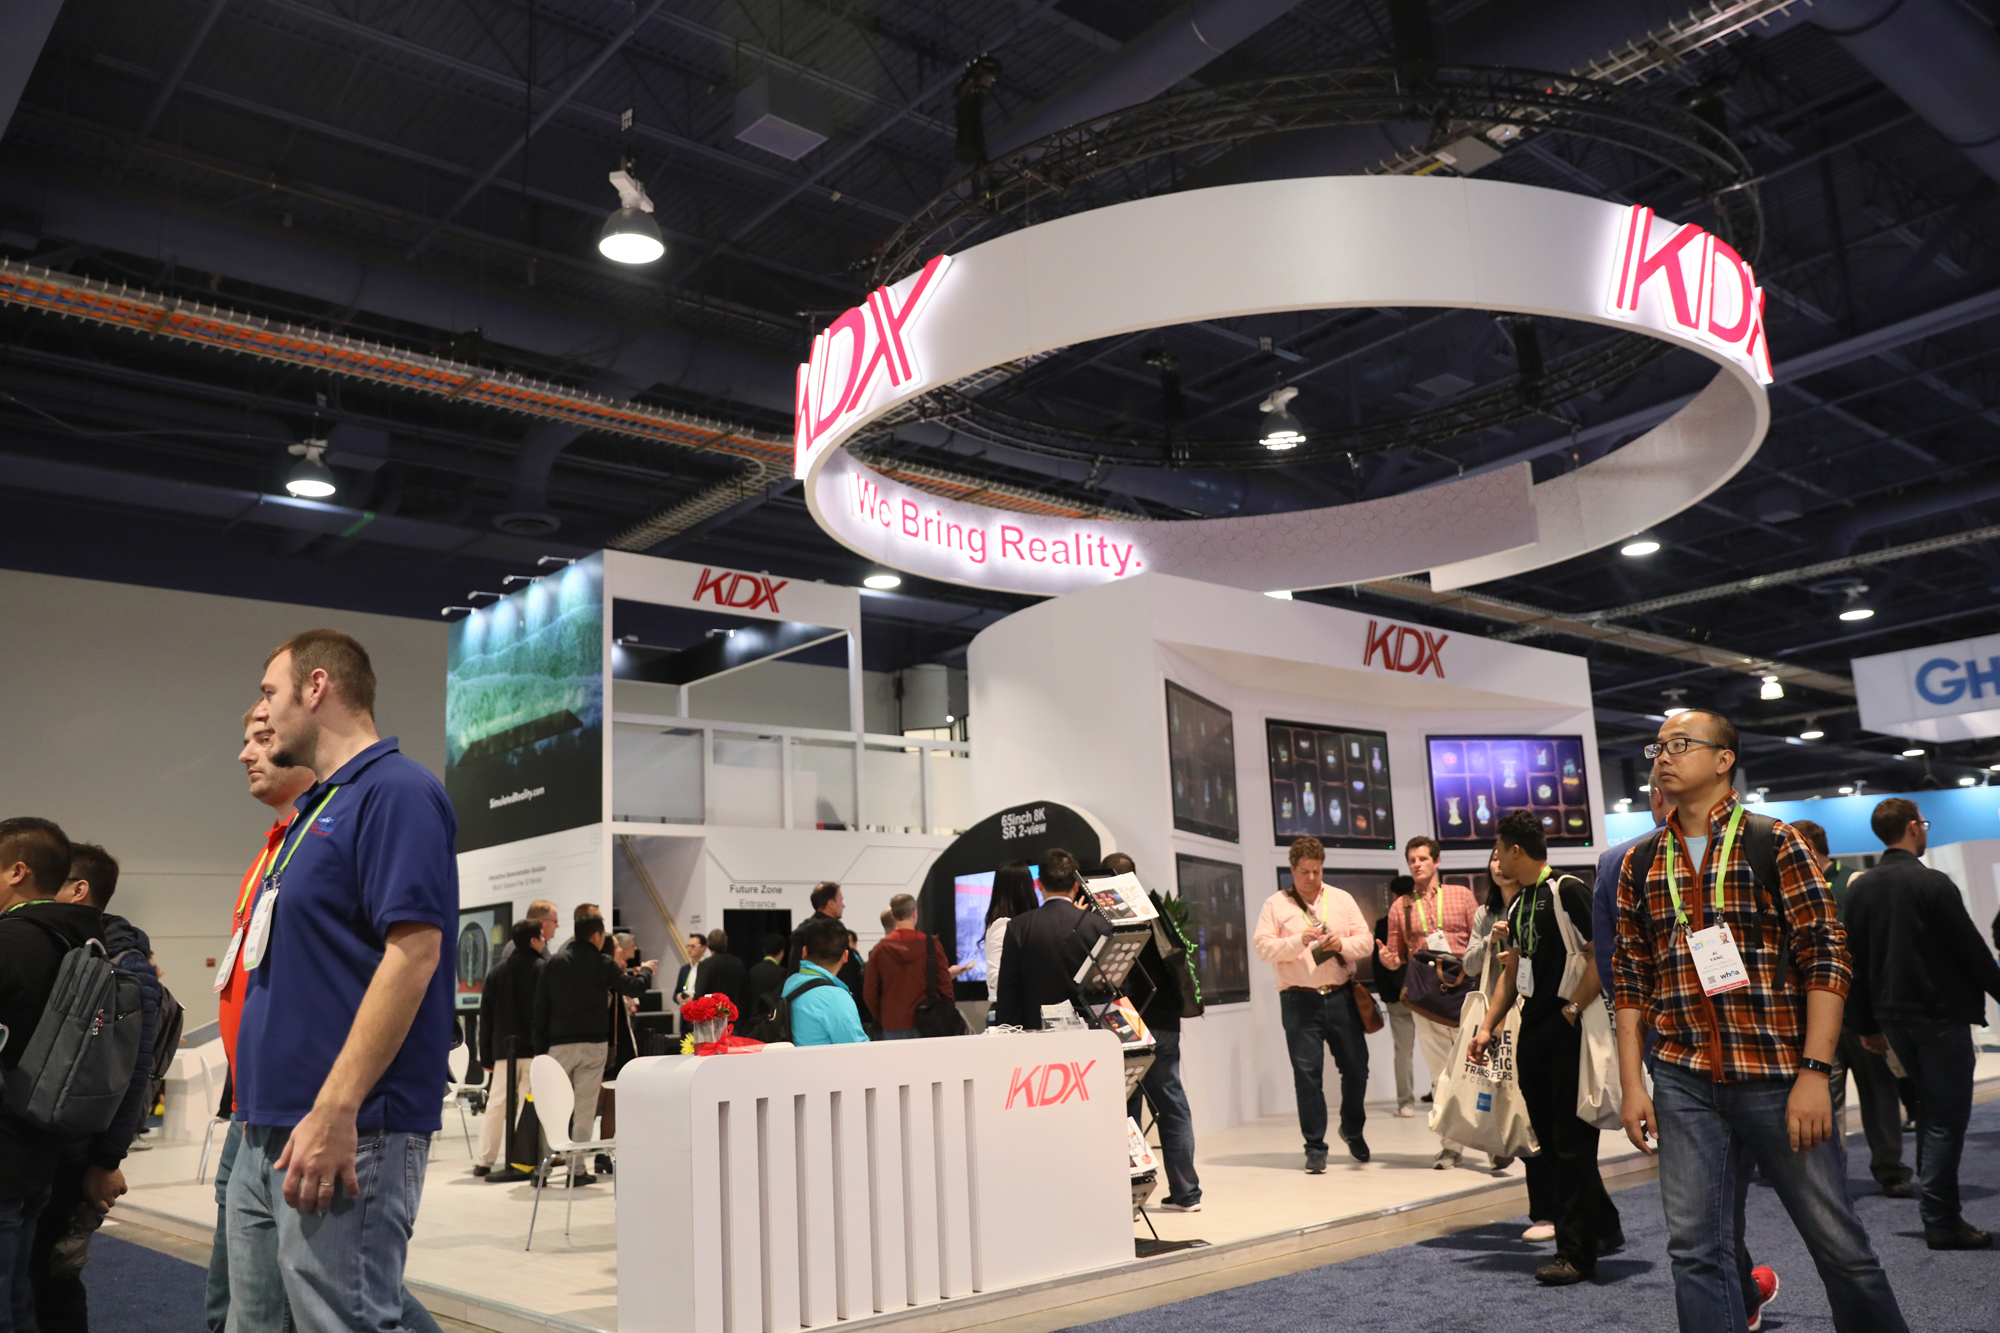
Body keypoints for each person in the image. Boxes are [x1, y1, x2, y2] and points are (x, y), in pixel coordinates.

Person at [1614, 709, 1906, 1333]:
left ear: (1724, 760)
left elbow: (1826, 958)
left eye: (1681, 744)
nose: (1664, 757)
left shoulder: (1773, 842)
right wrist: (1633, 1083)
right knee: (1695, 1252)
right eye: (1657, 747)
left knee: (1840, 1247)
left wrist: (1815, 1071)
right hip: (1683, 1079)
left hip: (1778, 1075)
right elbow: (1632, 978)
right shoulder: (1641, 862)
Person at [229, 629, 459, 1333]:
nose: (262, 711)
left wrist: (336, 1107)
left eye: (270, 692)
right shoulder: (316, 809)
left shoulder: (397, 792)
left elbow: (413, 955)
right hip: (269, 1124)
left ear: (317, 687)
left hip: (347, 1125)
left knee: (342, 1319)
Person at [1468, 812, 1621, 1287]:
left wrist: (1571, 1009)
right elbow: (1512, 973)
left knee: (1572, 1145)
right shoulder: (1516, 905)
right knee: (1552, 1146)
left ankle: (1574, 1254)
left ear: (1516, 850)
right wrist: (1487, 1027)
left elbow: (1602, 952)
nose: (1496, 859)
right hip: (1533, 1032)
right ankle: (1603, 1227)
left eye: (1499, 849)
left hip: (1567, 1030)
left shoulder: (1567, 890)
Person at [1845, 797, 2000, 1250]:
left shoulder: (1861, 888)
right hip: (1938, 1015)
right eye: (1924, 823)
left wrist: (1865, 1025)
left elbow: (1854, 963)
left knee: (1932, 1113)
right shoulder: (1932, 882)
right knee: (1945, 1120)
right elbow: (1971, 951)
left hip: (1891, 1019)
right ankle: (1941, 1220)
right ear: (1914, 827)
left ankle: (1938, 1214)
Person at [34, 843, 163, 1333]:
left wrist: (106, 1161)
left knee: (53, 1279)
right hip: (47, 1142)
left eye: (53, 880)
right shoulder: (62, 944)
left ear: (79, 889)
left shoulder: (124, 962)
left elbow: (134, 1074)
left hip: (76, 1151)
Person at [0, 818, 104, 1332]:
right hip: (42, 1147)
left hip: (3, 1148)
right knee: (21, 1298)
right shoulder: (84, 944)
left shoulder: (9, 941)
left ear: (16, 872)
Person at [1790, 817, 1912, 1200]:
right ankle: (1832, 1176)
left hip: (1860, 1013)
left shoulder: (1855, 882)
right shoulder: (1788, 890)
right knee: (1824, 1098)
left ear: (1810, 846)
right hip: (1812, 1017)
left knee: (1879, 1093)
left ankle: (1890, 1170)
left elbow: (1871, 949)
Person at [1252, 836, 1372, 1172]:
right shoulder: (1275, 904)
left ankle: (1352, 1128)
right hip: (1298, 999)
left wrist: (1341, 943)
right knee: (1307, 1075)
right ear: (1292, 870)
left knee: (1357, 1068)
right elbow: (1262, 948)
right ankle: (1315, 1146)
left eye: (1317, 871)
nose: (1311, 878)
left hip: (1341, 995)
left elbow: (1365, 942)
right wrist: (1297, 940)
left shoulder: (1341, 899)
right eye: (1305, 871)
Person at [1103, 852, 1202, 1213]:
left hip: (1129, 1019)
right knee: (1172, 1105)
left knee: (1128, 1108)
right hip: (1167, 1019)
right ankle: (1186, 1194)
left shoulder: (1109, 917)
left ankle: (1131, 1196)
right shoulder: (1156, 910)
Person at [1376, 835, 1480, 1169]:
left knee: (1478, 1069)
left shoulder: (1462, 896)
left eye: (1423, 858)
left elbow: (1479, 942)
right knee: (1441, 1074)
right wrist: (1388, 960)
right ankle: (1450, 1145)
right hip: (1426, 998)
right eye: (1412, 860)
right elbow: (1396, 956)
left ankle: (1491, 1138)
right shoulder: (1400, 907)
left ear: (1436, 861)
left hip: (1465, 991)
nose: (1417, 864)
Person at [533, 912, 655, 1176]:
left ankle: (543, 1167)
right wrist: (646, 971)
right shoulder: (603, 963)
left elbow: (540, 1007)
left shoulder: (553, 963)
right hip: (593, 1044)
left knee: (551, 1107)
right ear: (597, 935)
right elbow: (633, 988)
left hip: (559, 1045)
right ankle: (577, 1170)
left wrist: (539, 1049)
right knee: (585, 1108)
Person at [994, 849, 1110, 1029]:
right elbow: (1111, 986)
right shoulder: (1100, 926)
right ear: (1077, 885)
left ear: (1039, 884)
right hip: (1090, 1031)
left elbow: (1008, 991)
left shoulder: (1018, 927)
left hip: (1036, 1033)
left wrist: (1008, 1033)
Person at [474, 920, 545, 1178]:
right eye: (542, 937)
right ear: (533, 940)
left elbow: (486, 1017)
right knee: (526, 1104)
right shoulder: (542, 969)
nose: (544, 941)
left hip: (503, 1051)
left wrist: (486, 1055)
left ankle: (484, 1160)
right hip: (534, 1051)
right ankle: (520, 1159)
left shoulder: (497, 972)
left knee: (496, 1104)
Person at [864, 894, 967, 1038]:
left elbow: (870, 993)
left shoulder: (879, 950)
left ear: (893, 916)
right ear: (914, 913)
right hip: (928, 1022)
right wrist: (948, 1013)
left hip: (892, 1025)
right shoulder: (931, 945)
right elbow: (945, 986)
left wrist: (883, 1016)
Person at [781, 915, 870, 1046]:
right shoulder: (836, 998)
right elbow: (858, 1049)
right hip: (822, 1060)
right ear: (845, 956)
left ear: (804, 952)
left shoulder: (791, 983)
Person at [1371, 876, 1417, 1120]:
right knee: (1442, 1047)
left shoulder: (1385, 924)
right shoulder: (1424, 920)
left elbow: (1379, 966)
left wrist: (1390, 993)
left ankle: (1406, 1103)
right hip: (1427, 994)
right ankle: (1442, 1097)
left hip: (1400, 996)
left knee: (1403, 1052)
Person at [982, 862, 1039, 1021]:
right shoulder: (1003, 926)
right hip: (1009, 1013)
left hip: (1021, 1009)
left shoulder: (1024, 924)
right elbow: (996, 977)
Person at [784, 883, 844, 973]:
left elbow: (794, 967)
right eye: (841, 900)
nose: (843, 905)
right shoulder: (833, 932)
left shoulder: (803, 929)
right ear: (831, 903)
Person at [694, 928, 751, 1018]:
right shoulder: (738, 963)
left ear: (708, 946)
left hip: (712, 1018)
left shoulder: (705, 965)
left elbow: (700, 994)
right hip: (733, 1016)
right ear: (726, 944)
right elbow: (744, 992)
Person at [749, 935, 786, 1012]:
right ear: (781, 952)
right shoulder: (783, 973)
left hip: (754, 1017)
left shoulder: (752, 971)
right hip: (774, 1017)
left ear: (764, 950)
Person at [672, 933, 707, 1005]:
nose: (689, 949)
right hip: (686, 1009)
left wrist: (695, 998)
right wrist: (678, 997)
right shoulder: (684, 969)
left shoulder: (708, 968)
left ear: (703, 948)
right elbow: (676, 992)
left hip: (701, 1008)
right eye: (688, 946)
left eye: (693, 946)